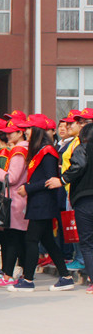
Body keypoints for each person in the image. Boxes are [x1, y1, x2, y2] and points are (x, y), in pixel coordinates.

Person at [8, 117, 75, 292]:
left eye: (28, 128)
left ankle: (28, 280)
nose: (26, 132)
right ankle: (66, 277)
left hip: (43, 203)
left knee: (31, 239)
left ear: (37, 130)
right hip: (38, 201)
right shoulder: (40, 151)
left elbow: (49, 179)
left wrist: (28, 188)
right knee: (48, 241)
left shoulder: (48, 152)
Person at [0, 115, 29, 287]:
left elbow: (11, 178)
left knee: (14, 239)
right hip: (18, 199)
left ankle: (8, 275)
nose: (8, 135)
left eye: (12, 132)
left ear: (21, 133)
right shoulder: (22, 149)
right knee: (19, 239)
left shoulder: (19, 151)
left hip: (16, 200)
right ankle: (20, 273)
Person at [59, 115, 93, 293]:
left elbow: (79, 165)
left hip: (84, 199)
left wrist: (63, 179)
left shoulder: (82, 148)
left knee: (86, 242)